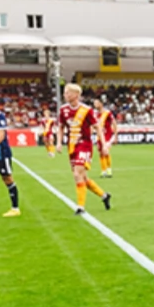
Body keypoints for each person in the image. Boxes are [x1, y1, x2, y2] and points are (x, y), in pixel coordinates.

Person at [57, 84, 112, 215]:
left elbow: (97, 127)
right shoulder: (63, 110)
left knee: (77, 174)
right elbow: (60, 127)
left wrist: (104, 144)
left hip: (85, 145)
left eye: (67, 93)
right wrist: (59, 142)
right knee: (83, 177)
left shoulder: (86, 110)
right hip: (72, 146)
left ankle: (80, 207)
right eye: (65, 93)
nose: (65, 95)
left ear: (76, 95)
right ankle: (104, 195)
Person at [94, 98, 117, 178]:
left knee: (105, 152)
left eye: (96, 103)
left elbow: (114, 123)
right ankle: (103, 170)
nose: (95, 105)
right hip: (100, 137)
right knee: (100, 153)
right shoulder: (95, 114)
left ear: (101, 104)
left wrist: (116, 136)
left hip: (108, 136)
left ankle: (109, 169)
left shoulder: (107, 113)